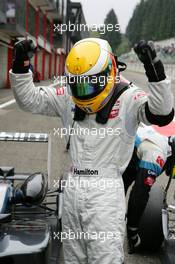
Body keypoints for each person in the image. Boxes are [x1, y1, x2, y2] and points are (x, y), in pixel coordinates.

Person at [9, 38, 174, 264]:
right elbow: (29, 100)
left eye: (89, 84)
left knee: (105, 259)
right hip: (72, 189)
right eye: (78, 84)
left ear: (109, 72)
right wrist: (21, 64)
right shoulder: (68, 95)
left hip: (105, 194)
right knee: (73, 259)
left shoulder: (128, 97)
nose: (83, 90)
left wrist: (154, 69)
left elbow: (163, 113)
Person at [123, 124, 175, 254]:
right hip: (127, 148)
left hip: (129, 137)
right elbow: (139, 194)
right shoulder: (156, 156)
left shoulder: (170, 123)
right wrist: (133, 232)